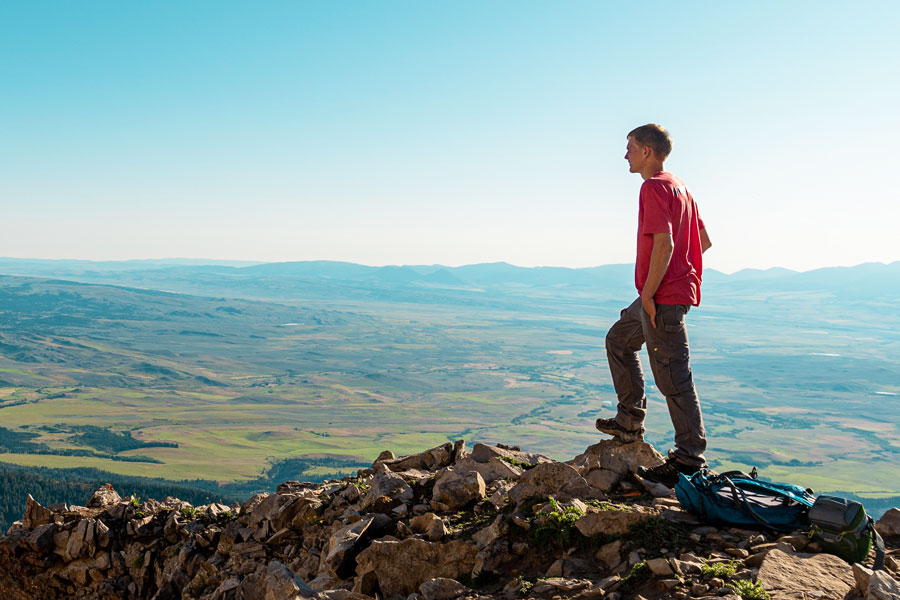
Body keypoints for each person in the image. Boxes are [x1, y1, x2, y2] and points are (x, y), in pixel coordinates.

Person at [595, 123, 712, 488]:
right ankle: (629, 420)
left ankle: (689, 461)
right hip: (663, 291)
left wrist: (650, 293)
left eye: (629, 146)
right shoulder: (681, 188)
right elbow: (703, 241)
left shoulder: (654, 187)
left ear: (646, 150)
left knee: (673, 377)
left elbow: (666, 244)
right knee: (619, 339)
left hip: (662, 297)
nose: (624, 154)